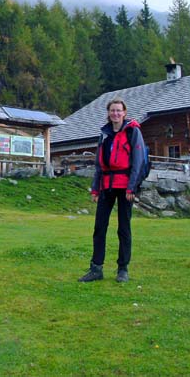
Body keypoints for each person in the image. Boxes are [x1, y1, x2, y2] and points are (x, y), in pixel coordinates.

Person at [79, 98, 145, 283]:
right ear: (108, 113)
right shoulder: (105, 134)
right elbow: (99, 163)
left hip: (126, 187)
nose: (115, 114)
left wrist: (132, 186)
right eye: (112, 111)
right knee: (99, 227)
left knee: (124, 228)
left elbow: (138, 161)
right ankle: (96, 268)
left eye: (118, 110)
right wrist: (95, 188)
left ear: (124, 113)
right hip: (107, 185)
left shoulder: (133, 132)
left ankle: (122, 269)